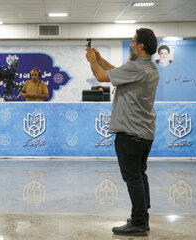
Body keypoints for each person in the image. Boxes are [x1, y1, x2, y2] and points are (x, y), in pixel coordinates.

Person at [85, 28, 159, 236]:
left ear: (141, 46)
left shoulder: (136, 68)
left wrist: (91, 61)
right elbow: (116, 72)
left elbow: (101, 76)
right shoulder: (148, 68)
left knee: (133, 178)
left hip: (131, 132)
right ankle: (142, 215)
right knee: (140, 175)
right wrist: (99, 58)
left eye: (134, 41)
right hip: (144, 133)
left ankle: (139, 223)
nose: (131, 44)